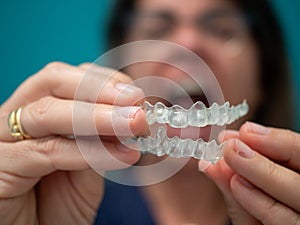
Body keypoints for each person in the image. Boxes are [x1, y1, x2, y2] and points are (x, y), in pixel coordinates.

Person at [0, 0, 299, 225]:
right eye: (157, 30)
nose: (188, 45)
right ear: (124, 72)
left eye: (221, 29)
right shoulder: (61, 205)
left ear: (264, 78)